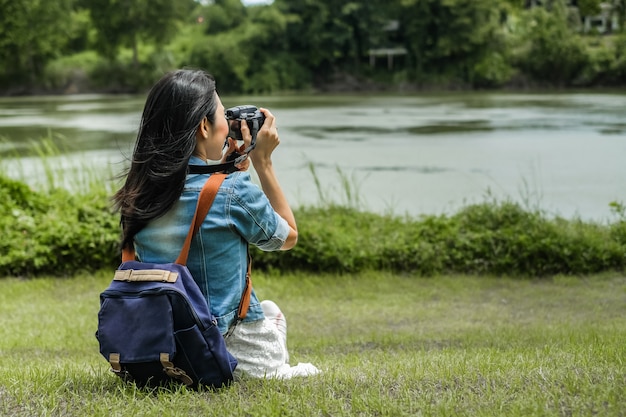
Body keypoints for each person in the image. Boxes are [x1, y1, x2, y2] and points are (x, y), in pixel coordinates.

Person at [113, 68, 320, 379]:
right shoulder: (233, 192)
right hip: (232, 353)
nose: (229, 126)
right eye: (224, 114)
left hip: (158, 348)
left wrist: (229, 169)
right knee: (273, 312)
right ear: (204, 126)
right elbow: (287, 237)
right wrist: (263, 163)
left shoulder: (138, 192)